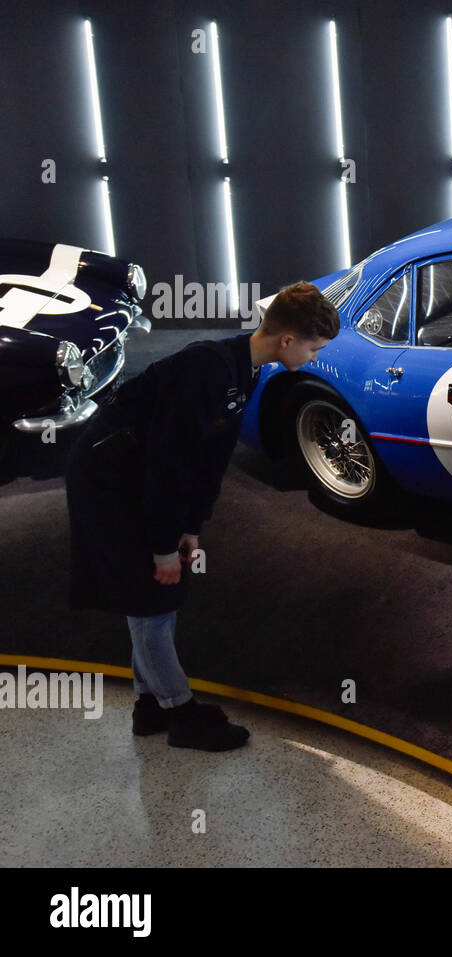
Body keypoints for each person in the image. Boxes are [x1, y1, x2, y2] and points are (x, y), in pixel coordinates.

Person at [65, 281, 339, 751]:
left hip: (136, 478)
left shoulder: (242, 368)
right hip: (108, 481)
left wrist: (192, 526)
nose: (315, 358)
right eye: (314, 348)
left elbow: (210, 458)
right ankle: (182, 714)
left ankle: (149, 705)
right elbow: (169, 468)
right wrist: (163, 547)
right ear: (288, 340)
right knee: (150, 601)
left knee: (156, 599)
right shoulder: (206, 369)